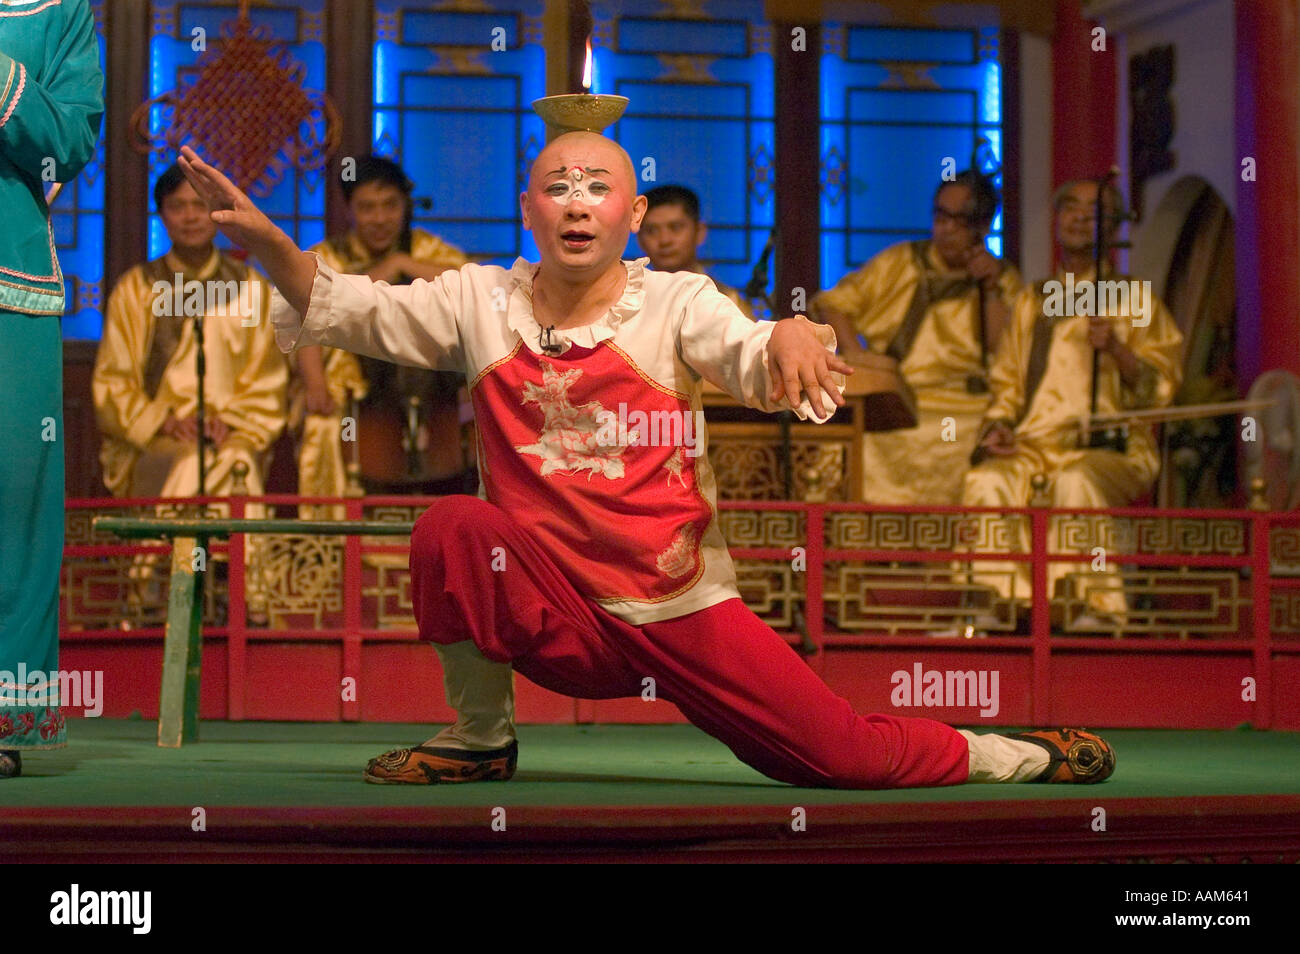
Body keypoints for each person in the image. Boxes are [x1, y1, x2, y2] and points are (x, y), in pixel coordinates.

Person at [177, 135, 1116, 789]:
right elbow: (351, 307)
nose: (578, 203)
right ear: (528, 208)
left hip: (673, 605)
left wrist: (788, 333)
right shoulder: (477, 300)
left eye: (599, 189)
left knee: (843, 760)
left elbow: (749, 350)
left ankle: (1012, 752)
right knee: (452, 525)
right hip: (554, 609)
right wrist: (266, 244)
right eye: (559, 187)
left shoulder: (677, 301)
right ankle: (479, 739)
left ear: (631, 212)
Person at [960, 179, 1183, 631]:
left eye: (1095, 210)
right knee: (986, 481)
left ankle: (1093, 607)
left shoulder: (1134, 299)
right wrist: (1000, 426)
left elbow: (1163, 384)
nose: (1082, 217)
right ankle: (1000, 606)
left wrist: (1119, 351)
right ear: (1058, 220)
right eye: (1072, 208)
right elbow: (1008, 381)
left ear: (1114, 226)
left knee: (1075, 482)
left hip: (1108, 447)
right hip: (1034, 443)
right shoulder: (1032, 300)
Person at [92, 164, 287, 622]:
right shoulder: (135, 289)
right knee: (184, 465)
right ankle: (155, 598)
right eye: (177, 206)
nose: (190, 217)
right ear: (161, 215)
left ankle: (243, 600)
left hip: (231, 432)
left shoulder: (252, 289)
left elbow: (267, 377)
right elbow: (112, 381)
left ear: (218, 212)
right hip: (162, 434)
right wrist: (163, 420)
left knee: (236, 464)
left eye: (200, 205)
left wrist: (233, 422)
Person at [0, 0, 104, 779]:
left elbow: (68, 142)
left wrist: (5, 83)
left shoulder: (60, 10)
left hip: (12, 286)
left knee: (15, 505)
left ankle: (7, 711)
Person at [811, 170, 1022, 504]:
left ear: (983, 226)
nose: (946, 229)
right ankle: (856, 545)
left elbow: (1007, 350)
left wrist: (992, 288)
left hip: (964, 404)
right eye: (940, 216)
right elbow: (833, 303)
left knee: (985, 445)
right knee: (847, 444)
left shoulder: (1003, 279)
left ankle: (951, 548)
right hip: (898, 396)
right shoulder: (901, 261)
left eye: (959, 220)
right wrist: (856, 355)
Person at [293, 155, 468, 515]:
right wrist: (314, 384)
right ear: (349, 210)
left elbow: (470, 284)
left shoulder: (426, 249)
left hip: (432, 385)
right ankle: (334, 544)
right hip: (348, 385)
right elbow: (304, 319)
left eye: (390, 206)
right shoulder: (326, 257)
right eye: (367, 208)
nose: (380, 219)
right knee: (325, 427)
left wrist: (400, 265)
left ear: (405, 205)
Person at [636, 184, 756, 319]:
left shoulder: (727, 301)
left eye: (675, 227)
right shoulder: (630, 302)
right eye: (652, 230)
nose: (665, 240)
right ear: (639, 239)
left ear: (699, 232)